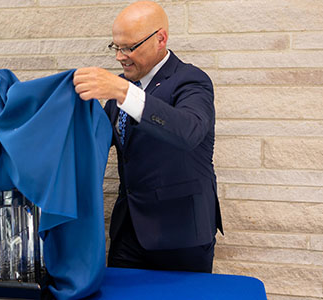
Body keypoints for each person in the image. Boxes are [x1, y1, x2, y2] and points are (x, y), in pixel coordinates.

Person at [73, 1, 223, 273]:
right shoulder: (123, 86)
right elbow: (95, 139)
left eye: (129, 47)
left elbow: (188, 130)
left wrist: (122, 91)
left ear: (160, 39)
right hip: (128, 233)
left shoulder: (191, 80)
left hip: (181, 235)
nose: (120, 56)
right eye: (116, 47)